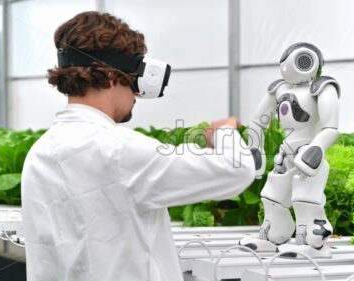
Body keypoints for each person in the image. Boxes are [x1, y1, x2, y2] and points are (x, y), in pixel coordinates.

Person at [21, 11, 255, 281]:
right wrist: (224, 131)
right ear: (109, 76)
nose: (136, 93)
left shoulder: (38, 154)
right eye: (133, 78)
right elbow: (236, 170)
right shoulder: (119, 150)